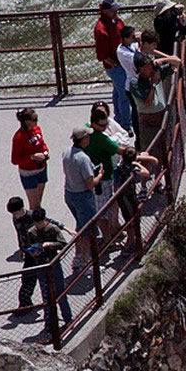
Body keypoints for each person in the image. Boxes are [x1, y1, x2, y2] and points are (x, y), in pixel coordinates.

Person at [22, 208, 73, 328]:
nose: (38, 225)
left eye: (40, 223)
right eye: (36, 223)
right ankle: (49, 323)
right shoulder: (31, 232)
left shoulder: (53, 229)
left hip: (53, 264)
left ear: (45, 220)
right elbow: (28, 247)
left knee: (60, 292)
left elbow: (63, 244)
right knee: (46, 295)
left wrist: (49, 245)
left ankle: (68, 319)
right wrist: (33, 252)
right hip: (41, 266)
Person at [62, 126, 102, 268]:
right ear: (83, 139)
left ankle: (78, 257)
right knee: (87, 231)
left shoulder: (66, 152)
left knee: (80, 225)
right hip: (83, 197)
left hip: (69, 194)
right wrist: (100, 175)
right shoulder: (83, 159)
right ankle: (86, 261)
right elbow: (90, 184)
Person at [85, 107, 124, 250]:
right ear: (94, 123)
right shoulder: (101, 139)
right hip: (104, 179)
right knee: (104, 212)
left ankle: (109, 236)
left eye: (106, 124)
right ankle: (108, 241)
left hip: (97, 177)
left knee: (102, 209)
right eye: (102, 125)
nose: (105, 127)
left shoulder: (87, 131)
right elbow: (120, 150)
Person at [112, 144, 158, 259]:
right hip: (128, 198)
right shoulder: (131, 167)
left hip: (121, 198)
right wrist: (137, 163)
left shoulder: (119, 166)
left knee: (130, 219)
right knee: (132, 221)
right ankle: (130, 246)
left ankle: (132, 242)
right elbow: (146, 173)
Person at [130, 52, 174, 161]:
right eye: (147, 67)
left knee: (166, 149)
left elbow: (177, 62)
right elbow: (148, 102)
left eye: (151, 66)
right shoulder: (135, 83)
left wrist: (163, 60)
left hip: (162, 119)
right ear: (141, 69)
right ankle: (150, 176)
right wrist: (153, 84)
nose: (150, 70)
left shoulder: (156, 72)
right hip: (148, 123)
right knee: (149, 152)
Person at [94, 0, 131, 130]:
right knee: (124, 94)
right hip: (115, 66)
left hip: (122, 62)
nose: (116, 12)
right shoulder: (101, 29)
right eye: (112, 10)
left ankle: (119, 119)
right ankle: (126, 125)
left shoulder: (116, 20)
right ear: (105, 11)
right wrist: (115, 65)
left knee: (117, 92)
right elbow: (102, 54)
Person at [10, 107, 50, 210]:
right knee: (35, 206)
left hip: (41, 168)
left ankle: (38, 222)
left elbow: (42, 143)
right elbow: (15, 160)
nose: (36, 122)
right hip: (29, 173)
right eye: (34, 120)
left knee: (38, 203)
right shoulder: (18, 137)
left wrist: (45, 152)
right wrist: (32, 157)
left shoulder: (37, 129)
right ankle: (34, 224)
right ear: (27, 122)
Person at [7, 196, 40, 313]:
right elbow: (19, 233)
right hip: (28, 252)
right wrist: (21, 248)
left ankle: (26, 305)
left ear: (22, 209)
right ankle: (26, 304)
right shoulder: (16, 218)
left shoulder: (33, 217)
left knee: (34, 278)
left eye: (15, 213)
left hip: (38, 253)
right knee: (27, 279)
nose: (14, 216)